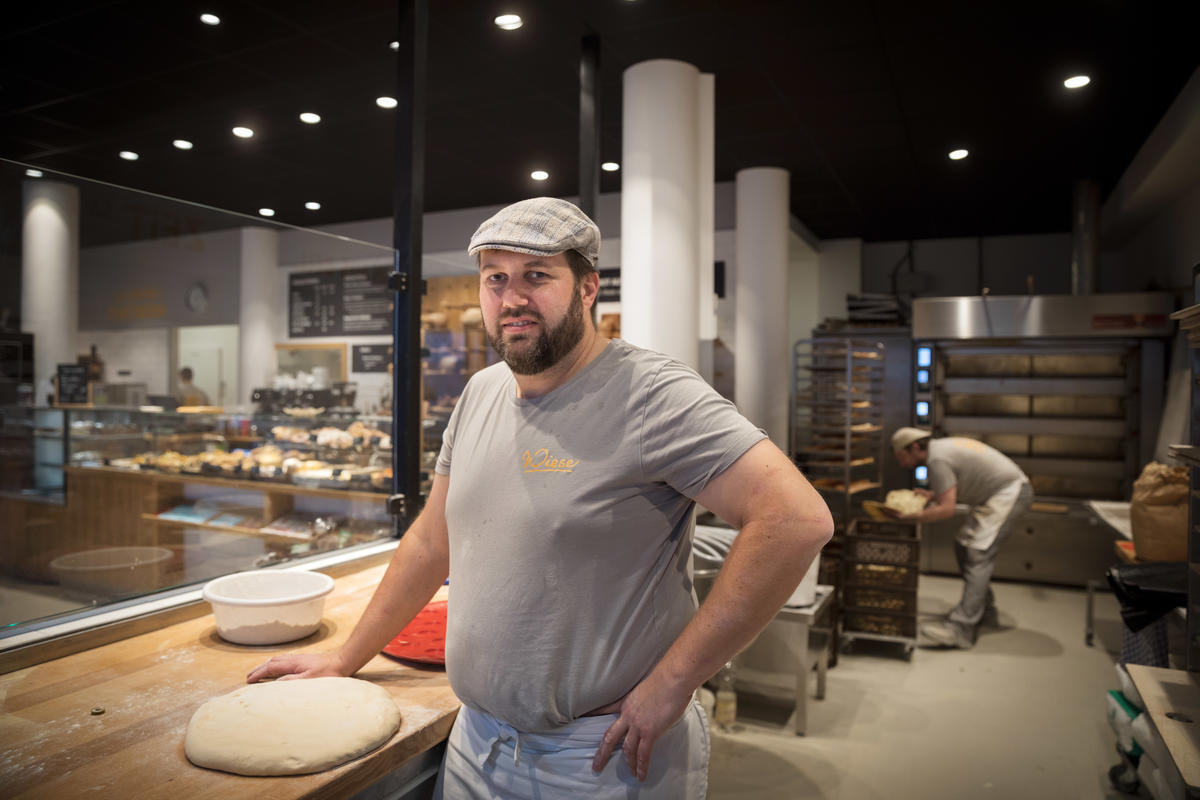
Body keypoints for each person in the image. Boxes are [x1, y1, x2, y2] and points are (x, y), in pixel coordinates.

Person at [247, 197, 834, 798]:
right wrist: (346, 656)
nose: (512, 298)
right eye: (495, 279)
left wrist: (676, 680)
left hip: (600, 755)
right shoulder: (480, 393)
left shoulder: (651, 392)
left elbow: (793, 519)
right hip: (477, 743)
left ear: (587, 287)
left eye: (537, 276)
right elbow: (430, 540)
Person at [889, 427, 1033, 649]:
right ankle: (983, 611)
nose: (902, 464)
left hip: (1008, 493)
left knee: (977, 553)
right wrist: (932, 496)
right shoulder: (940, 450)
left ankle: (962, 629)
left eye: (902, 456)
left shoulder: (937, 460)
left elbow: (947, 509)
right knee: (962, 546)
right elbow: (951, 492)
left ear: (915, 447)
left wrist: (914, 517)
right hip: (996, 495)